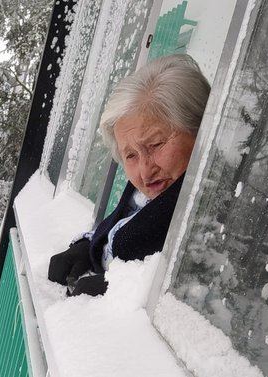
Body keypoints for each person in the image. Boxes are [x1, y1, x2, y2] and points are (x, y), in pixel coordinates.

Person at [48, 54, 211, 296]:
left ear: (201, 132)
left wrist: (125, 290)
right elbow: (127, 224)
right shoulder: (147, 195)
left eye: (156, 145)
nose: (145, 171)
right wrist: (88, 246)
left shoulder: (207, 217)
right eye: (130, 156)